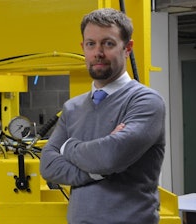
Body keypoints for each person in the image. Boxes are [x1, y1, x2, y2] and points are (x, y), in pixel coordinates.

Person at [39, 8, 165, 224]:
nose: (98, 52)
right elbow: (48, 166)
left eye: (108, 43)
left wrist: (67, 147)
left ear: (127, 48)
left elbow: (109, 157)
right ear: (83, 48)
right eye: (91, 44)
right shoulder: (72, 107)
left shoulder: (145, 102)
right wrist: (97, 171)